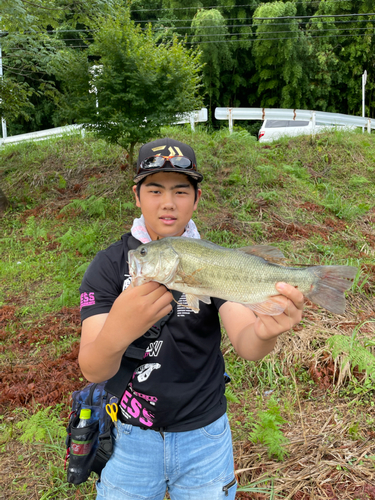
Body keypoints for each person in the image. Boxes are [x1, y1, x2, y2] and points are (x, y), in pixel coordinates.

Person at [78, 138, 304, 500]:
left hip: (205, 437)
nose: (168, 202)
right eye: (154, 190)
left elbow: (248, 341)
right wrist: (117, 332)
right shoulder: (107, 267)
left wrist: (266, 331)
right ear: (137, 196)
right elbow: (92, 368)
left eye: (181, 191)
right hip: (130, 438)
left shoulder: (212, 260)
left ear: (197, 199)